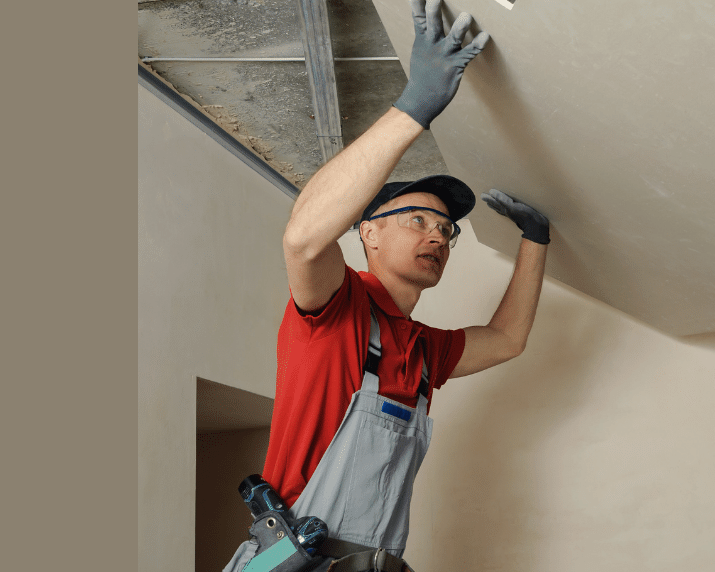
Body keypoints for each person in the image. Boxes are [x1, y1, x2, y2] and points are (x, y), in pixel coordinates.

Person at [222, 1, 554, 570]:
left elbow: (507, 339)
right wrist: (414, 107)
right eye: (417, 220)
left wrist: (536, 240)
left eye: (447, 229)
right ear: (368, 234)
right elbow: (303, 239)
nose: (439, 237)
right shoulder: (335, 307)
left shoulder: (423, 350)